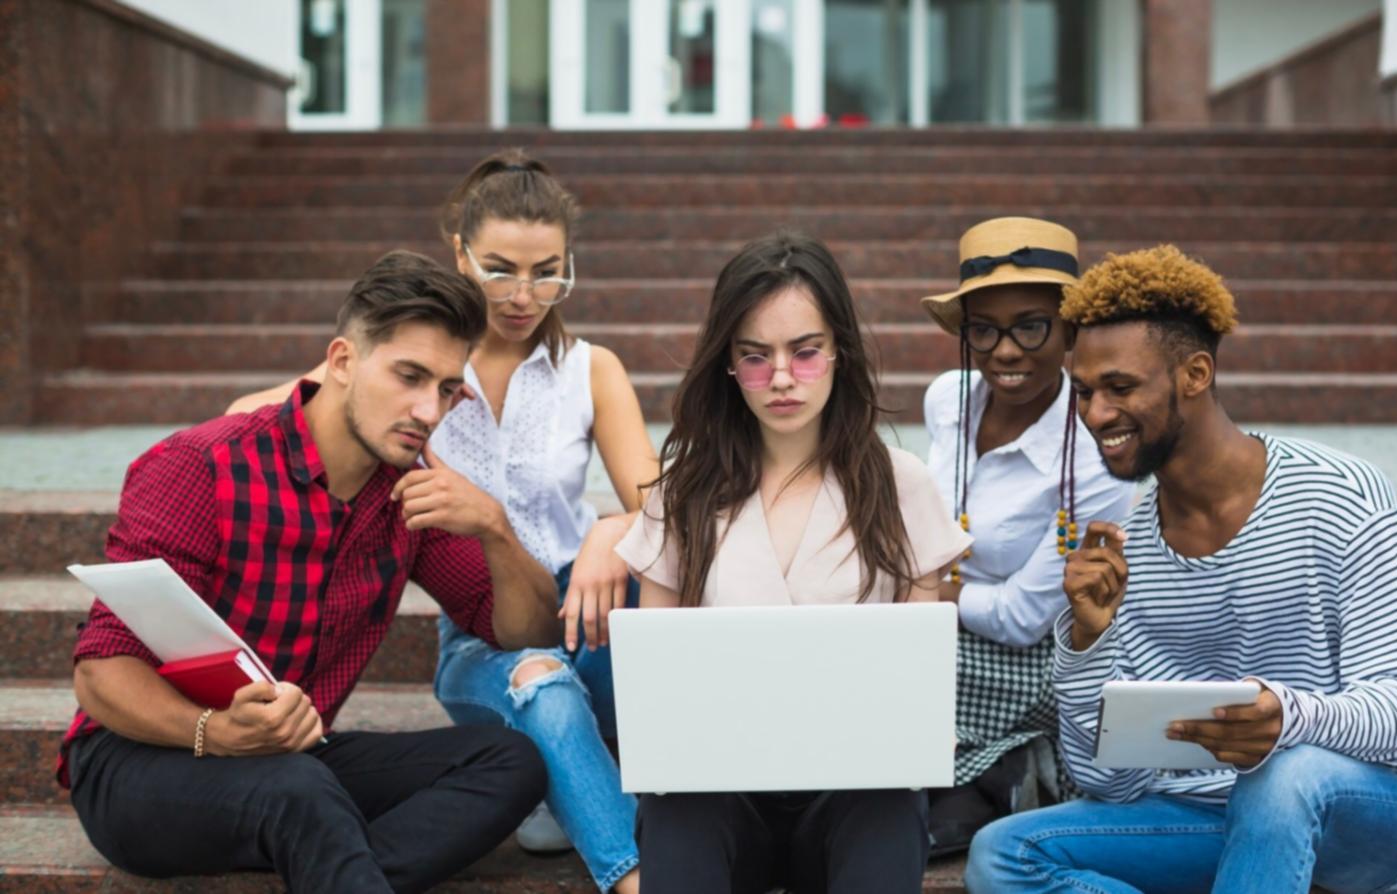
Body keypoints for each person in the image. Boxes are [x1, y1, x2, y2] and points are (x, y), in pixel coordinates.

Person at [61, 250, 556, 893]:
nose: (428, 412)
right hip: (142, 760)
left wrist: (495, 528)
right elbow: (100, 673)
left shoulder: (410, 494)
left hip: (289, 759)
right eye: (409, 375)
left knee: (510, 761)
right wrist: (215, 732)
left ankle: (331, 870)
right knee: (299, 788)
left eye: (444, 388)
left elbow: (522, 628)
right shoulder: (201, 465)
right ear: (344, 361)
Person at [227, 151, 655, 894]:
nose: (525, 295)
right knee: (540, 679)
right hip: (480, 627)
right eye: (499, 269)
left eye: (548, 271)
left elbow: (658, 502)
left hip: (590, 603)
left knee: (673, 635)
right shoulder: (419, 369)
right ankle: (635, 874)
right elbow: (245, 418)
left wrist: (611, 529)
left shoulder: (592, 369)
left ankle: (571, 775)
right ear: (458, 252)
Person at [964, 245, 1397, 894]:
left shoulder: (1341, 494)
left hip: (1370, 817)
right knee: (1004, 854)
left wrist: (1286, 719)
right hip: (1205, 818)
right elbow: (1112, 783)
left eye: (1120, 387)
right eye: (1082, 392)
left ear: (1194, 374)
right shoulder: (1128, 545)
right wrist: (1087, 644)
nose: (1095, 415)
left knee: (1284, 776)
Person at [613, 231, 973, 894]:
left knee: (891, 805)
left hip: (852, 797)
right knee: (675, 811)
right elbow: (653, 689)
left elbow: (915, 687)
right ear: (727, 364)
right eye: (755, 357)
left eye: (804, 353)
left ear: (839, 350)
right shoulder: (681, 493)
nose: (781, 378)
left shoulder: (902, 484)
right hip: (720, 796)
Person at [919, 218, 1135, 854]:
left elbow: (1021, 617)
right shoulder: (948, 400)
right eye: (982, 329)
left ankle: (1009, 763)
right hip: (936, 619)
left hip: (1027, 658)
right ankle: (985, 778)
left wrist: (932, 592)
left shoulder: (1095, 459)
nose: (1004, 351)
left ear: (1070, 330)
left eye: (1030, 326)